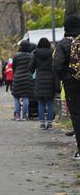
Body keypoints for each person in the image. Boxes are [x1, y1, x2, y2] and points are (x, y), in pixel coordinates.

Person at [53, 14, 80, 160]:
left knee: (76, 115)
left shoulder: (63, 43)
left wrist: (65, 77)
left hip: (72, 83)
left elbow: (57, 64)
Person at [28, 37, 55, 130]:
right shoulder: (52, 53)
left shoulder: (35, 54)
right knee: (50, 103)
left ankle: (42, 124)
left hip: (39, 79)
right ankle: (50, 124)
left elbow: (30, 67)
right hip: (50, 79)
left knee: (41, 103)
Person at [12, 40, 33, 121]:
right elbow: (32, 67)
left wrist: (15, 74)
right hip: (27, 78)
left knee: (16, 97)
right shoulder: (31, 56)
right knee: (26, 97)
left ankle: (17, 116)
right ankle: (24, 116)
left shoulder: (16, 56)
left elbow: (13, 67)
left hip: (17, 77)